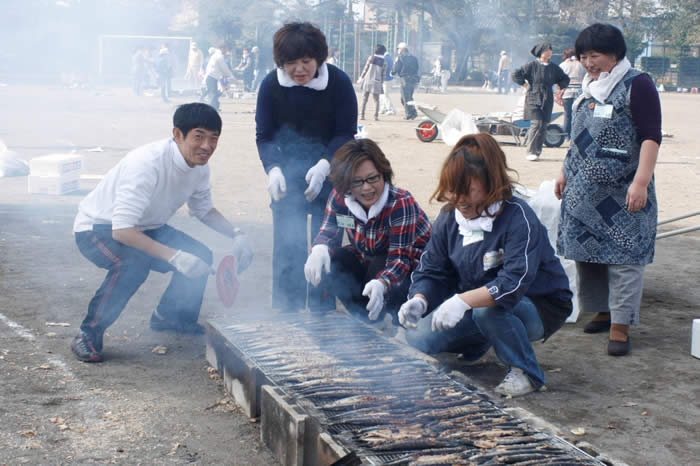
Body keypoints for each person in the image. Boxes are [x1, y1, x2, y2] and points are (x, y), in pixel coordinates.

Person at [70, 103, 254, 362]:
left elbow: (204, 210)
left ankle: (172, 317)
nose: (207, 146)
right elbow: (122, 231)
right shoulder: (147, 164)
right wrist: (175, 257)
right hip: (98, 228)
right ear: (177, 134)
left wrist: (237, 234)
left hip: (146, 226)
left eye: (214, 138)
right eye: (198, 136)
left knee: (199, 254)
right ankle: (87, 334)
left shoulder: (200, 167)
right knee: (133, 264)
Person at [399, 133, 573, 397]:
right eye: (452, 189)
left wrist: (462, 301)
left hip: (538, 303)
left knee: (487, 312)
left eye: (467, 189)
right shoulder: (449, 218)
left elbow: (512, 284)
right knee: (418, 337)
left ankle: (526, 372)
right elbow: (432, 269)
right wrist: (420, 299)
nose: (458, 198)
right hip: (474, 298)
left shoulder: (518, 218)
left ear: (491, 182)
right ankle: (478, 343)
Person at [555, 23, 662, 357]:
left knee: (625, 258)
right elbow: (577, 140)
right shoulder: (588, 88)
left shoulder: (637, 85)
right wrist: (562, 172)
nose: (589, 62)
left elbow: (650, 136)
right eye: (584, 55)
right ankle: (603, 311)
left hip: (622, 192)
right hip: (584, 191)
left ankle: (621, 324)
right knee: (588, 256)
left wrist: (641, 182)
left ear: (616, 53)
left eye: (595, 54)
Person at [256, 22, 358, 313]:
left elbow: (345, 131)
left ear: (319, 58)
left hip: (332, 171)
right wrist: (273, 168)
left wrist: (326, 164)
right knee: (288, 243)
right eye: (291, 62)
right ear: (281, 62)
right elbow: (265, 135)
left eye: (306, 61)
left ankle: (321, 308)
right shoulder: (271, 85)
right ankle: (286, 308)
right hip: (288, 173)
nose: (299, 69)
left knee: (325, 243)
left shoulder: (338, 82)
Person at [304, 138, 431, 322]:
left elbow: (400, 260)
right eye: (357, 182)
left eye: (373, 178)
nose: (367, 188)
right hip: (368, 258)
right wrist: (319, 249)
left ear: (383, 174)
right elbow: (328, 231)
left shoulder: (400, 203)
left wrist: (381, 283)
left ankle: (390, 321)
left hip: (409, 270)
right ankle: (346, 321)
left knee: (380, 265)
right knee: (330, 260)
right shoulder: (340, 198)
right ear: (346, 183)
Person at [512, 42, 569, 161]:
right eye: (546, 50)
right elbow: (515, 74)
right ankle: (530, 151)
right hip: (533, 96)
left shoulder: (554, 67)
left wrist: (560, 85)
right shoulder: (531, 65)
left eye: (550, 50)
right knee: (536, 123)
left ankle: (537, 151)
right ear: (540, 52)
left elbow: (565, 78)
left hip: (547, 97)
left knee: (543, 125)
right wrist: (524, 84)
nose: (549, 52)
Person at [556, 48, 586, 141]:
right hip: (580, 93)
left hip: (567, 93)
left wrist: (558, 93)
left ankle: (566, 136)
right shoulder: (582, 64)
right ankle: (576, 136)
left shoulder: (562, 65)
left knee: (568, 115)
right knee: (578, 115)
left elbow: (558, 80)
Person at [391, 43, 420, 120]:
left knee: (405, 98)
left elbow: (396, 68)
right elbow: (417, 68)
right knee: (409, 97)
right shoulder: (414, 58)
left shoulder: (400, 58)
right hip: (413, 79)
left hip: (405, 79)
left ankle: (409, 114)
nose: (398, 50)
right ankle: (413, 112)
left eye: (399, 49)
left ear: (402, 50)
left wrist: (392, 73)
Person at [358, 44, 387, 121]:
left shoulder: (371, 58)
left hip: (367, 80)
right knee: (376, 100)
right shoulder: (384, 61)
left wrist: (361, 77)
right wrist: (381, 82)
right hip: (376, 82)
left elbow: (365, 68)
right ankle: (375, 116)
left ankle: (362, 115)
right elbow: (383, 74)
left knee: (364, 99)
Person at [202, 45, 233, 111]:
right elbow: (224, 67)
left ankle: (214, 107)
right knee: (213, 94)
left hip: (213, 77)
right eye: (225, 49)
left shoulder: (216, 55)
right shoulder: (219, 56)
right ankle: (211, 107)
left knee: (213, 93)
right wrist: (230, 75)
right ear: (222, 49)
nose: (226, 51)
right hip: (212, 77)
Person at [379, 50, 396, 115]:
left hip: (386, 79)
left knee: (385, 95)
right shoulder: (390, 58)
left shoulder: (385, 58)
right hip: (389, 79)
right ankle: (383, 108)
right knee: (382, 95)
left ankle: (391, 109)